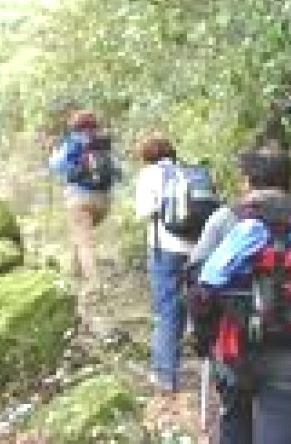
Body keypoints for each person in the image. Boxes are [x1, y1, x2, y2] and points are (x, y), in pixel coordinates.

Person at [186, 147, 291, 444]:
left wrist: (202, 338)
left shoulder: (227, 219)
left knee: (235, 423)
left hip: (233, 347)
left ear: (248, 181)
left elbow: (197, 284)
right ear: (289, 181)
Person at [133, 133, 200, 398]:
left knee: (167, 309)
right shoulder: (190, 171)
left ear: (147, 155)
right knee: (197, 304)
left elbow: (144, 212)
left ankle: (164, 374)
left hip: (166, 249)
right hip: (197, 249)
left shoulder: (150, 174)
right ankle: (210, 364)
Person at [47, 110, 119, 318]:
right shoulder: (103, 142)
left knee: (85, 244)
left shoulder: (74, 141)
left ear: (75, 126)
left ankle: (94, 285)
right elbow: (117, 170)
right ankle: (74, 273)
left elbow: (56, 165)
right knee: (79, 238)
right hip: (104, 201)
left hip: (79, 199)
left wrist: (54, 152)